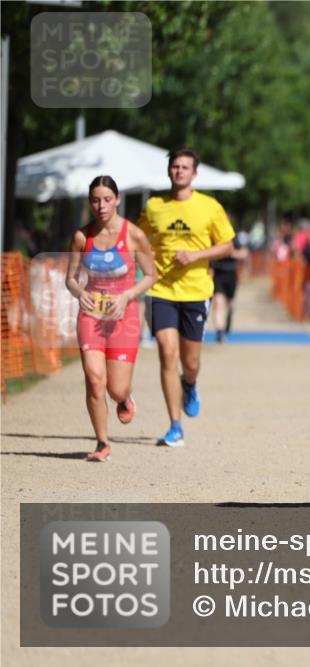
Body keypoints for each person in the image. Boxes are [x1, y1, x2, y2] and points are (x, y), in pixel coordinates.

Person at [139, 147, 235, 448]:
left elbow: (227, 246)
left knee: (190, 361)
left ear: (195, 173)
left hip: (195, 291)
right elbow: (137, 240)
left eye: (184, 167)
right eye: (175, 166)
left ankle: (190, 384)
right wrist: (145, 265)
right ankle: (174, 426)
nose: (179, 171)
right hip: (161, 290)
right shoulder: (155, 206)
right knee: (168, 353)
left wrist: (196, 255)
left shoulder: (209, 207)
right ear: (169, 171)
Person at [65, 175, 157, 462]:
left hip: (123, 316)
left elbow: (152, 275)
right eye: (95, 200)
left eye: (107, 199)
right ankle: (102, 442)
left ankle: (125, 398)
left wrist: (128, 295)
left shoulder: (133, 235)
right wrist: (79, 292)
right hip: (91, 315)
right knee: (94, 380)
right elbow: (70, 279)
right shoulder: (82, 237)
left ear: (117, 200)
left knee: (116, 388)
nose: (101, 205)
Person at [209, 225, 249, 343]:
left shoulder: (235, 238)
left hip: (231, 273)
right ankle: (219, 332)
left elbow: (244, 253)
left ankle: (229, 317)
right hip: (218, 274)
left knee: (231, 303)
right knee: (218, 302)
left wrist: (228, 253)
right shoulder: (212, 238)